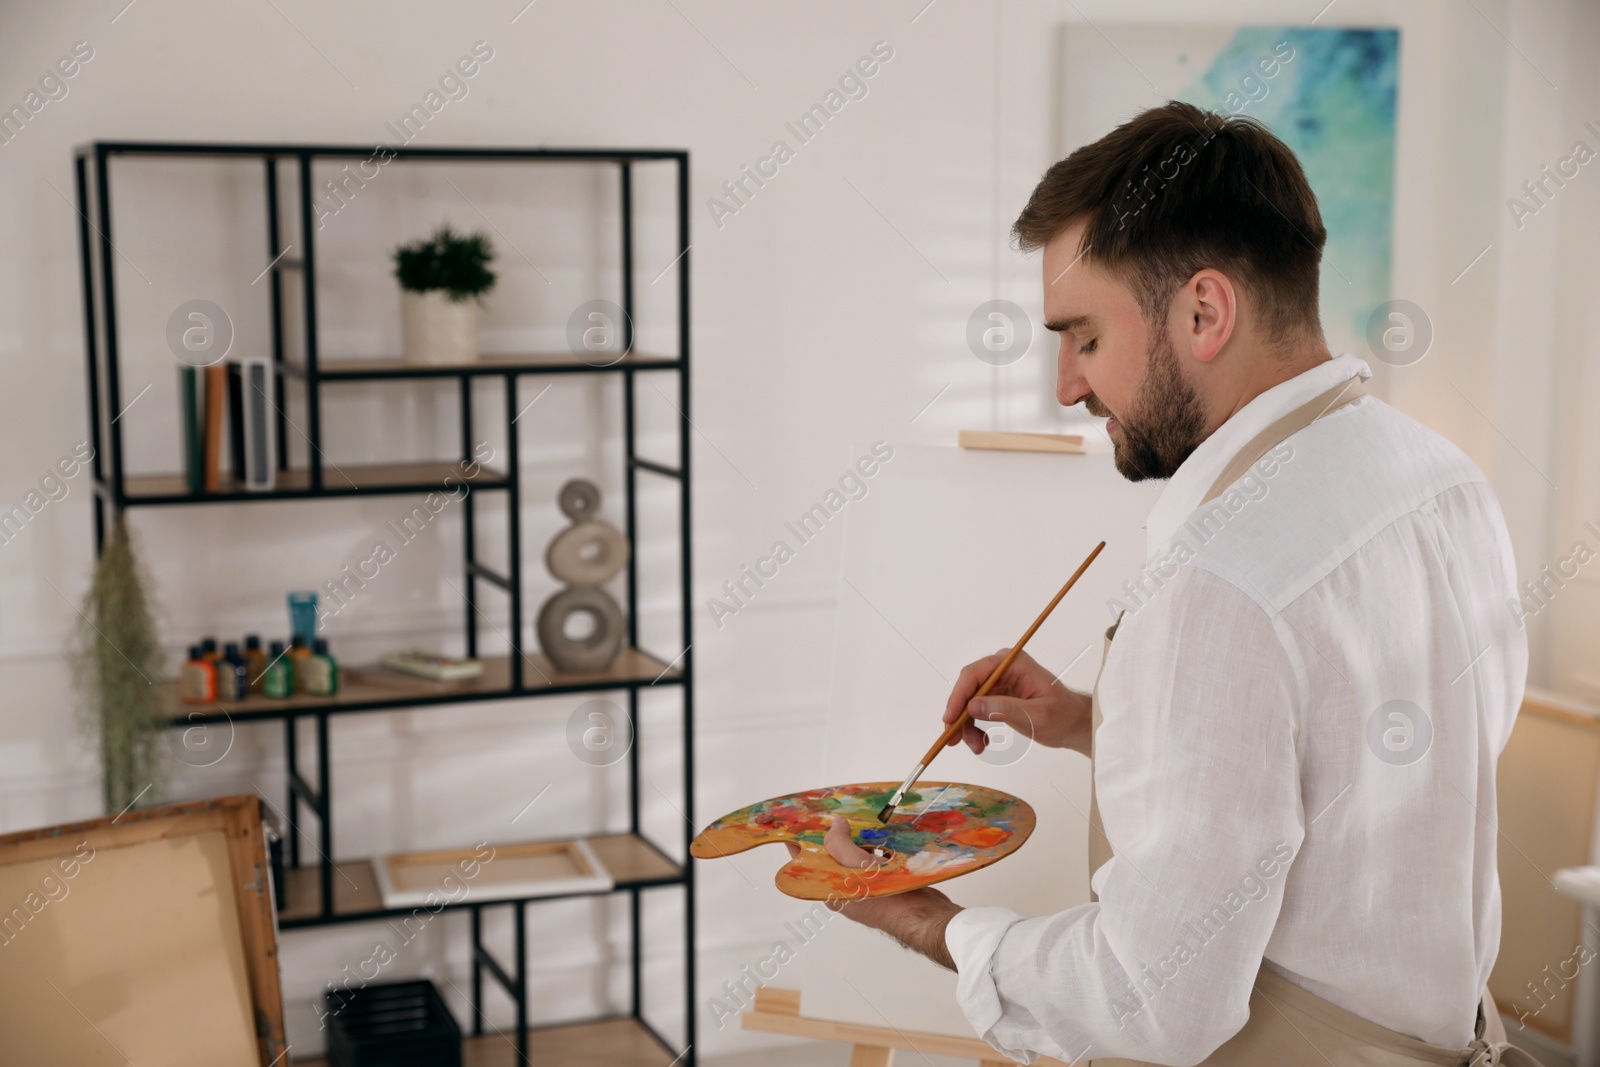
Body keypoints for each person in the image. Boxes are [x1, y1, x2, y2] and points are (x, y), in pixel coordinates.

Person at [786, 101, 1540, 1066]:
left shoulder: (1217, 578)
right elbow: (1369, 762)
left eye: (1085, 337)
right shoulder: (1442, 477)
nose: (1065, 384)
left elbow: (1152, 999)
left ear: (1203, 312)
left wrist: (929, 920)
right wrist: (1096, 720)